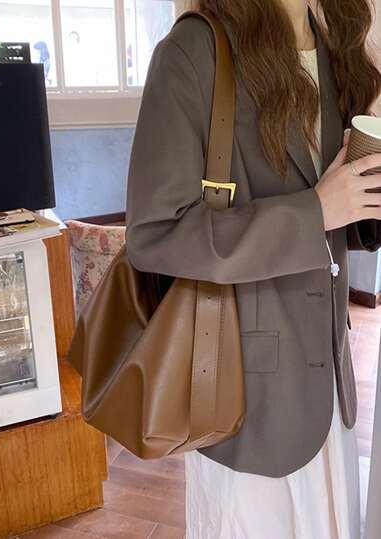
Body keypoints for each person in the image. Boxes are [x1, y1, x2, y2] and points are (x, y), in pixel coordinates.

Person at [125, 1, 381, 537]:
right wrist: (315, 213)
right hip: (245, 399)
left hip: (329, 391)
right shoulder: (194, 52)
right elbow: (156, 233)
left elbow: (344, 217)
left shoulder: (335, 50)